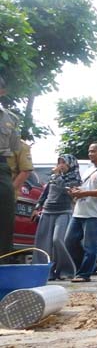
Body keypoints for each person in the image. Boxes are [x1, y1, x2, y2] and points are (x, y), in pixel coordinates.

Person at [65, 141, 97, 282]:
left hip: (95, 214)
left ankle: (84, 274)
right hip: (79, 212)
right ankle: (86, 267)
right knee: (69, 241)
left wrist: (84, 193)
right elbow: (84, 189)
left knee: (90, 246)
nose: (90, 154)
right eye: (89, 151)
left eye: (93, 151)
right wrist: (76, 192)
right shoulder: (87, 170)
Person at [32, 155, 80, 280]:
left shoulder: (74, 178)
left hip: (64, 211)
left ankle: (65, 270)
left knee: (58, 240)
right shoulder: (53, 177)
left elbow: (65, 191)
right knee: (43, 243)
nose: (61, 165)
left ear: (71, 164)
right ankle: (45, 272)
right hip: (47, 211)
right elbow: (45, 193)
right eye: (59, 162)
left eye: (64, 162)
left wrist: (58, 176)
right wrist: (37, 207)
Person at [0, 75, 21, 262]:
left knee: (5, 218)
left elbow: (15, 148)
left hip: (1, 167)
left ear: (2, 92)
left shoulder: (11, 119)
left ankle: (3, 266)